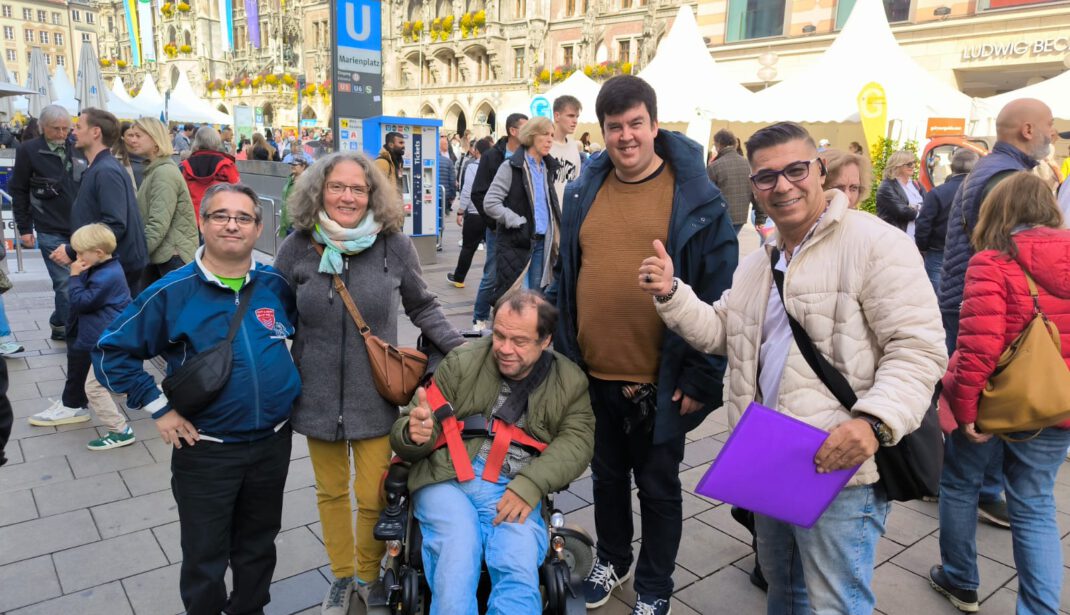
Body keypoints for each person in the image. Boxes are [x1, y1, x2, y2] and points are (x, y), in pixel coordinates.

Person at [641, 121, 947, 615]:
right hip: (771, 453)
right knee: (783, 591)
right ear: (756, 187)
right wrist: (672, 295)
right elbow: (724, 329)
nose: (783, 185)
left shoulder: (876, 244)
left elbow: (920, 349)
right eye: (767, 177)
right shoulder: (761, 257)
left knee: (834, 604)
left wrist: (873, 424)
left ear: (819, 171)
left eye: (796, 170)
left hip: (839, 462)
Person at [550, 75, 738, 615]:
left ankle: (654, 586)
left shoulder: (697, 198)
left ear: (654, 125)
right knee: (606, 481)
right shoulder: (585, 188)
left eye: (636, 124)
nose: (626, 136)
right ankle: (612, 560)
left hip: (660, 380)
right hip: (592, 374)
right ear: (602, 131)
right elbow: (568, 276)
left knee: (657, 490)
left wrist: (703, 377)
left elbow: (722, 296)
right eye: (615, 127)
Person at [94, 183, 300, 615]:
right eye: (220, 215)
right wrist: (159, 410)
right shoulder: (173, 291)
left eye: (243, 217)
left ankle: (249, 609)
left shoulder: (275, 283)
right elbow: (111, 351)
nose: (232, 224)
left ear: (258, 228)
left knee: (258, 546)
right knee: (205, 555)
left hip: (272, 445)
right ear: (202, 223)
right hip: (206, 450)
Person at [272, 151, 464, 614]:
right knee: (331, 491)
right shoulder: (297, 246)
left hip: (376, 394)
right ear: (319, 190)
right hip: (314, 395)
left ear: (373, 194)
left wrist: (461, 350)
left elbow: (422, 305)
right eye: (338, 187)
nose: (348, 196)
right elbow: (271, 313)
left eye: (359, 189)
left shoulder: (393, 245)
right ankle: (341, 576)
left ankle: (368, 571)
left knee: (373, 492)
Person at [390, 289, 595, 615]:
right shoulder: (462, 361)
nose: (504, 348)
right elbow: (410, 426)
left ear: (545, 341)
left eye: (519, 341)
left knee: (516, 560)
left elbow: (577, 442)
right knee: (458, 549)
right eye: (498, 335)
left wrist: (532, 484)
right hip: (446, 478)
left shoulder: (569, 382)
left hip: (514, 484)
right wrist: (414, 435)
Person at [932, 172, 1070, 613]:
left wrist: (965, 409)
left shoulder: (992, 261)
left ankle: (959, 579)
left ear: (998, 210)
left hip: (993, 401)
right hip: (1057, 402)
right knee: (1034, 505)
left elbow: (977, 347)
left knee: (959, 484)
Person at [939, 98, 1058, 532]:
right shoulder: (1004, 177)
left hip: (974, 302)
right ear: (1028, 129)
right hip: (983, 306)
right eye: (1050, 127)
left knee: (979, 403)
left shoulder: (991, 169)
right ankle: (984, 491)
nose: (1054, 135)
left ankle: (978, 485)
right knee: (981, 412)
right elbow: (1009, 256)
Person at [29, 108, 148, 428]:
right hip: (108, 265)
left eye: (79, 126)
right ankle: (88, 395)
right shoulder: (103, 168)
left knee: (82, 333)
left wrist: (72, 250)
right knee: (90, 333)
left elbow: (115, 224)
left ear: (96, 132)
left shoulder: (106, 170)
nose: (73, 131)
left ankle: (75, 401)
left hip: (110, 266)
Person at [10, 104, 84, 341]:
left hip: (80, 228)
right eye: (56, 129)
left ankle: (59, 321)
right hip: (49, 226)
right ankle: (74, 333)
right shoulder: (28, 150)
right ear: (43, 127)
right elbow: (19, 190)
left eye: (66, 129)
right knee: (64, 282)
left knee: (79, 279)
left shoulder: (77, 147)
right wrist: (24, 228)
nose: (62, 134)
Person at [66, 223, 135, 450]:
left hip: (107, 339)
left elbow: (81, 302)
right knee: (116, 380)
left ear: (98, 253)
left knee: (94, 388)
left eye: (79, 253)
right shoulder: (105, 269)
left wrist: (75, 277)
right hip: (109, 337)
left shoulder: (105, 276)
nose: (76, 257)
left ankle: (120, 431)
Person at [483, 116, 560, 295]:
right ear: (531, 136)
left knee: (535, 297)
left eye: (552, 135)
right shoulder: (510, 166)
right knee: (517, 297)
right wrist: (515, 220)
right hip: (517, 242)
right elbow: (490, 202)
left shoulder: (548, 167)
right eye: (545, 134)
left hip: (542, 242)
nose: (550, 139)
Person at [124, 117, 199, 289]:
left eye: (138, 135)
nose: (132, 140)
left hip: (171, 258)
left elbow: (157, 224)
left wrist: (135, 256)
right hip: (164, 256)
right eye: (131, 135)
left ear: (155, 139)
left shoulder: (163, 172)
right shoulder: (155, 170)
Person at [471, 113, 528, 330]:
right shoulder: (492, 157)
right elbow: (479, 194)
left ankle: (508, 320)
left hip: (521, 228)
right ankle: (479, 317)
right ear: (513, 131)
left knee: (517, 275)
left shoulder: (528, 155)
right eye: (525, 127)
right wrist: (494, 223)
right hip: (498, 227)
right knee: (492, 274)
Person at [915, 148, 978, 293]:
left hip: (938, 249)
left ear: (951, 167)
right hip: (970, 249)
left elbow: (924, 223)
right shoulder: (981, 193)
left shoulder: (937, 193)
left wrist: (922, 246)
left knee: (935, 296)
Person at [447, 137, 492, 288]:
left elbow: (467, 191)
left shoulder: (473, 167)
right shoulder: (497, 166)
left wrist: (460, 211)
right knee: (493, 251)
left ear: (476, 151)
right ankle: (492, 281)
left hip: (474, 214)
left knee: (468, 248)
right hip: (493, 215)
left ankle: (459, 278)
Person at [179, 126, 241, 223]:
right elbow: (237, 193)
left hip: (191, 220)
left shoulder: (184, 167)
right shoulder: (227, 165)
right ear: (216, 141)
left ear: (197, 141)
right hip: (220, 219)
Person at [706, 128, 753, 233]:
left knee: (719, 247)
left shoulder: (714, 166)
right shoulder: (748, 164)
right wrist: (760, 217)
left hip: (721, 216)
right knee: (730, 244)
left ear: (718, 144)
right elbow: (755, 192)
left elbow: (707, 195)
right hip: (741, 216)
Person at [876, 150, 925, 235]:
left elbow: (930, 205)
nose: (913, 166)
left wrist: (915, 207)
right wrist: (921, 210)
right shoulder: (886, 187)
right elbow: (904, 212)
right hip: (896, 238)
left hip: (917, 237)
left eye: (914, 163)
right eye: (909, 164)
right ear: (897, 166)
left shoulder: (916, 184)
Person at [549, 95, 582, 210]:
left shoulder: (574, 146)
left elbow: (577, 183)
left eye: (577, 117)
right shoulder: (545, 146)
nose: (575, 121)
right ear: (557, 116)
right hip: (547, 219)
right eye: (570, 116)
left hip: (569, 215)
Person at [276, 154, 308, 237]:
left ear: (303, 166)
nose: (292, 166)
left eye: (295, 165)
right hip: (287, 222)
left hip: (297, 223)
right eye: (291, 164)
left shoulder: (306, 182)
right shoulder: (290, 179)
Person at [373, 131, 405, 196]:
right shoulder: (382, 162)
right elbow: (375, 188)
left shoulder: (398, 162)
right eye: (400, 143)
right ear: (391, 145)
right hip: (386, 204)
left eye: (403, 143)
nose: (403, 146)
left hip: (396, 204)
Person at [438, 135, 457, 213]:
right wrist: (453, 195)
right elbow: (452, 180)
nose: (447, 145)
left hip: (443, 193)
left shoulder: (450, 155)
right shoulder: (448, 161)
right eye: (445, 144)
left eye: (447, 144)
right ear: (440, 145)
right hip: (444, 193)